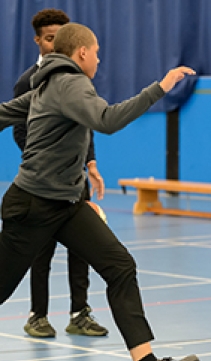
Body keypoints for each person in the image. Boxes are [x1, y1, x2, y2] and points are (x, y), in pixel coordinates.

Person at [0, 23, 197, 361]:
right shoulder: (70, 82)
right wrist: (160, 87)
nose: (99, 60)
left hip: (66, 204)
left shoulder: (49, 85)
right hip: (33, 204)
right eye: (97, 54)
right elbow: (106, 120)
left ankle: (145, 359)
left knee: (120, 266)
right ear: (82, 53)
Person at [13, 8, 108, 339]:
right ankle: (38, 315)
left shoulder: (78, 78)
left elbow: (88, 123)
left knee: (82, 248)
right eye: (50, 38)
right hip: (42, 184)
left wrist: (91, 165)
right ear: (38, 40)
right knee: (41, 251)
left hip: (75, 180)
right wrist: (45, 163)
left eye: (62, 37)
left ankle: (80, 313)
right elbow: (21, 130)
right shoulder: (29, 82)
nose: (56, 44)